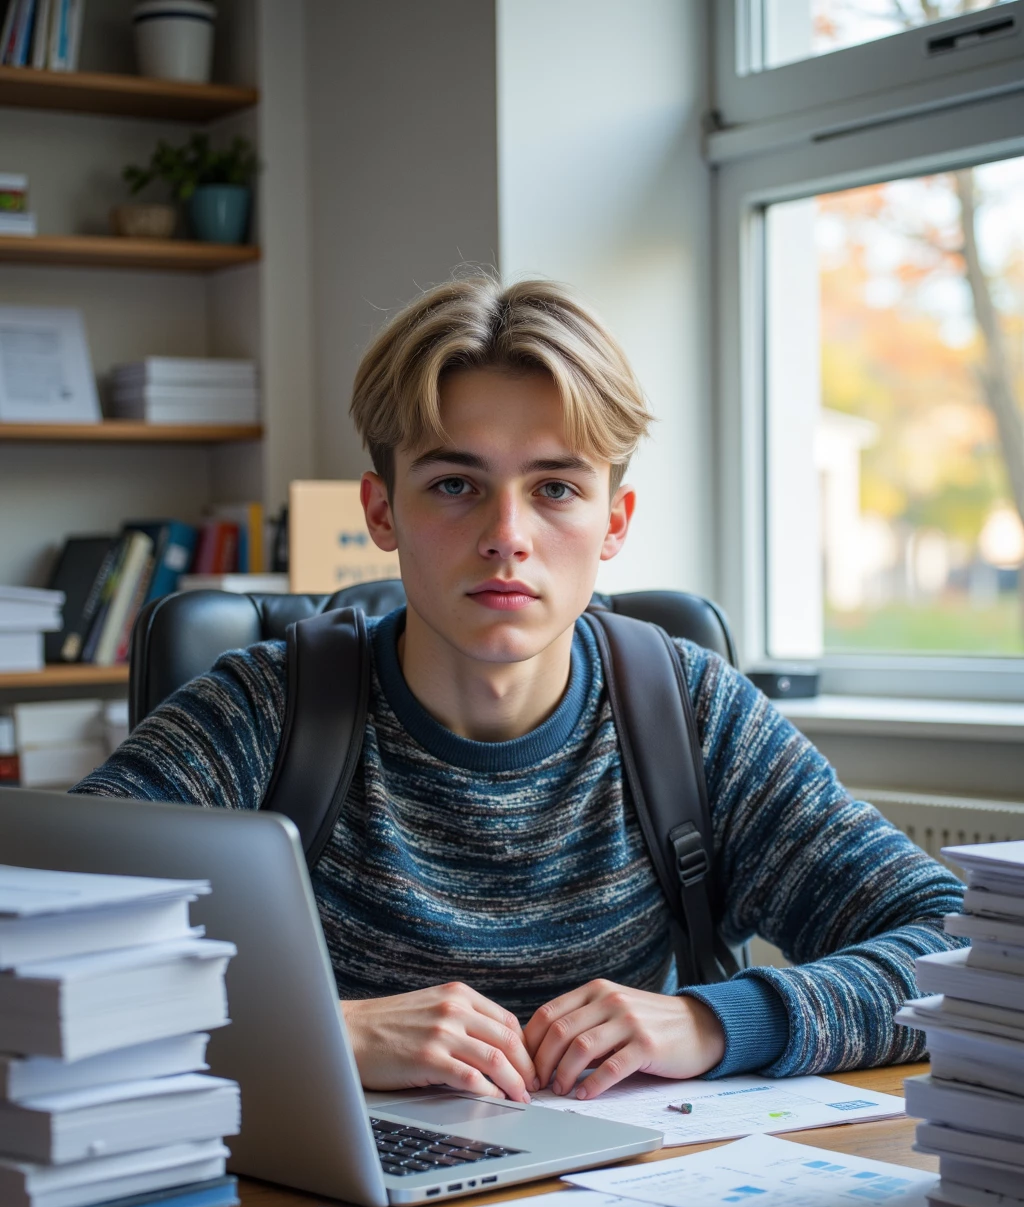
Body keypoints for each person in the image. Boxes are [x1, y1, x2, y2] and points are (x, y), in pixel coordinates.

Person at [73, 275, 963, 1105]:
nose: (508, 536)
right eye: (455, 485)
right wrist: (322, 1031)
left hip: (639, 1197)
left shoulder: (691, 714)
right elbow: (37, 947)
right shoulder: (264, 710)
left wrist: (715, 1019)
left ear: (612, 522)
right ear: (381, 513)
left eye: (556, 488)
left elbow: (962, 950)